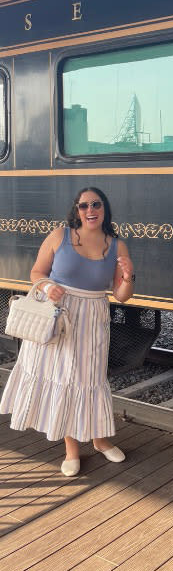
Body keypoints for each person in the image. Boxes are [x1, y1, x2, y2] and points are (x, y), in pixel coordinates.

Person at [0, 186, 135, 476]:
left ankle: (99, 440)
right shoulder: (59, 236)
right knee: (65, 377)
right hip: (58, 314)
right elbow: (36, 272)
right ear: (76, 210)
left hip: (93, 317)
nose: (90, 210)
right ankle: (71, 450)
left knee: (91, 379)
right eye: (84, 206)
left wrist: (128, 275)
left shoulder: (116, 245)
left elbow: (122, 295)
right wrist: (48, 286)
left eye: (96, 204)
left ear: (104, 209)